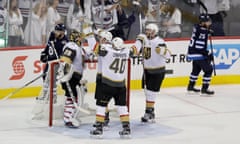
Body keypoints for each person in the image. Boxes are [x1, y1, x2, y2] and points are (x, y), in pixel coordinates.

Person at [89, 36, 137, 138]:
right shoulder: (126, 52)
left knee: (101, 106)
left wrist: (89, 35)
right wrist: (140, 40)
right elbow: (135, 50)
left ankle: (98, 129)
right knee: (122, 107)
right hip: (121, 85)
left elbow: (94, 46)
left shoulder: (107, 51)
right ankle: (126, 129)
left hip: (107, 84)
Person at [133, 23, 171, 123]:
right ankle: (151, 111)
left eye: (149, 30)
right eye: (146, 30)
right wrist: (138, 42)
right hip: (147, 70)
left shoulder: (159, 41)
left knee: (151, 93)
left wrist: (163, 51)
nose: (147, 32)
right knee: (147, 92)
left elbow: (168, 56)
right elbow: (136, 51)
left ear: (154, 31)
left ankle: (149, 112)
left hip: (157, 71)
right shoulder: (144, 40)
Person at [57, 30, 87, 128]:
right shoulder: (71, 46)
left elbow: (88, 56)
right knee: (72, 97)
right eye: (79, 37)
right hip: (70, 76)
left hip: (75, 76)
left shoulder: (79, 48)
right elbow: (66, 60)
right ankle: (67, 119)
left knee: (73, 97)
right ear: (75, 38)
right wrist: (65, 74)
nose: (81, 39)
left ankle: (69, 117)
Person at [37, 23, 68, 102]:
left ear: (63, 32)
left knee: (52, 80)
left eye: (58, 31)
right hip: (49, 62)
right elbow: (48, 47)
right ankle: (45, 95)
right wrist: (44, 53)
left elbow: (62, 53)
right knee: (45, 77)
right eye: (56, 30)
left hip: (56, 63)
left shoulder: (65, 41)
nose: (56, 32)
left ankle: (53, 98)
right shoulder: (52, 37)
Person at [186, 13, 214, 95]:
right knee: (209, 70)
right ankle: (204, 89)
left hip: (192, 53)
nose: (210, 23)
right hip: (197, 54)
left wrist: (207, 31)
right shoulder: (203, 31)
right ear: (203, 22)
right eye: (208, 22)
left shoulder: (197, 27)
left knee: (196, 70)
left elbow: (199, 34)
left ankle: (190, 87)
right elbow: (199, 46)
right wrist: (207, 54)